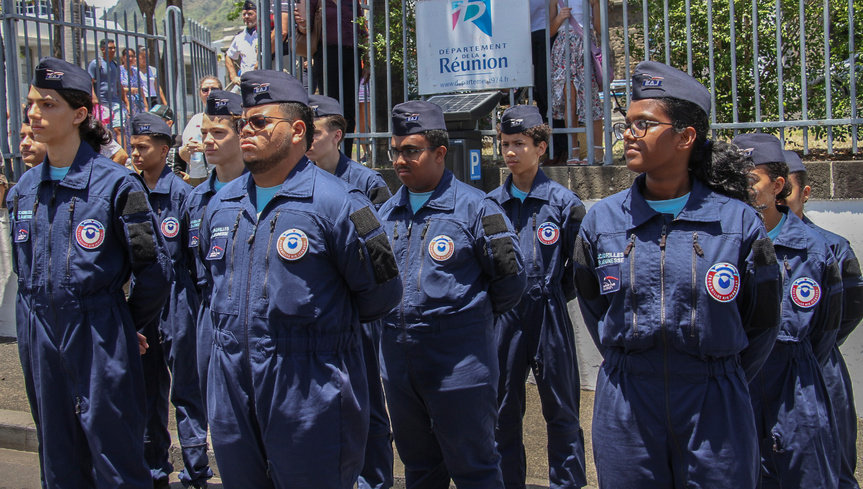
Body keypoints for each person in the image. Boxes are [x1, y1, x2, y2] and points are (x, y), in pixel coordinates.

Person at [572, 61, 782, 488]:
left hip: (714, 401)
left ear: (686, 137)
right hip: (628, 401)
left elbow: (763, 319)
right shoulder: (602, 221)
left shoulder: (738, 223)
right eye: (625, 125)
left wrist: (717, 373)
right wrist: (633, 362)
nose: (627, 134)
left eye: (643, 124)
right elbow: (594, 305)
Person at [196, 69, 402, 487]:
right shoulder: (220, 205)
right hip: (233, 389)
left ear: (297, 131)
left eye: (259, 122)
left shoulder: (339, 203)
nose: (246, 131)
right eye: (242, 123)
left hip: (311, 390)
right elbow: (208, 288)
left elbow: (382, 293)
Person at [7, 57, 172, 488]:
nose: (34, 114)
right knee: (58, 461)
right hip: (39, 333)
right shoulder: (24, 191)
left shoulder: (118, 186)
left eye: (48, 104)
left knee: (115, 459)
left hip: (99, 333)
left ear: (80, 115)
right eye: (32, 104)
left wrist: (122, 324)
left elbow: (153, 271)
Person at [377, 100, 527, 488]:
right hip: (399, 365)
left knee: (474, 468)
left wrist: (464, 321)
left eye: (411, 150)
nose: (399, 160)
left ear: (440, 153)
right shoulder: (386, 215)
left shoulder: (478, 209)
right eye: (394, 151)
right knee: (420, 469)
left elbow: (510, 281)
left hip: (459, 366)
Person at [734, 132, 842, 489]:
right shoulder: (724, 243)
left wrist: (794, 359)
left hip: (795, 382)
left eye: (751, 180)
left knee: (806, 473)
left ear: (778, 185)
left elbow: (827, 328)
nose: (742, 189)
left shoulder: (814, 248)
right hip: (739, 377)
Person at [487, 105, 587, 489]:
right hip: (505, 319)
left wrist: (549, 296)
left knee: (562, 413)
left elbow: (577, 272)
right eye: (505, 144)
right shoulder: (490, 205)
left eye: (520, 144)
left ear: (541, 147)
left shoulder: (565, 205)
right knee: (502, 412)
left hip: (550, 315)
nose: (511, 152)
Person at [305, 94, 393, 489]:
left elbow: (381, 255)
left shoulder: (365, 184)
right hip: (320, 317)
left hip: (360, 313)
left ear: (337, 135)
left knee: (368, 402)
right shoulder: (298, 180)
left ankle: (375, 481)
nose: (308, 138)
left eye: (317, 131)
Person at [129, 112, 213, 489]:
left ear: (165, 151)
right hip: (141, 296)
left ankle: (195, 469)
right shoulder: (127, 190)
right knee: (147, 386)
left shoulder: (184, 196)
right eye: (132, 147)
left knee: (185, 387)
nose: (135, 154)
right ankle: (154, 467)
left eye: (143, 147)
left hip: (178, 297)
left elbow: (193, 259)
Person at [779, 150, 863, 489]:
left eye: (786, 192)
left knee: (834, 463)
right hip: (760, 370)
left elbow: (848, 311)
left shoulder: (833, 248)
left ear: (806, 193)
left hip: (819, 364)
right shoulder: (740, 245)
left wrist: (810, 351)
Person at [182, 88, 247, 410]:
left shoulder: (259, 191)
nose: (208, 141)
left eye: (218, 133)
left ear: (241, 134)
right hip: (210, 316)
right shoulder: (195, 199)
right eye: (204, 132)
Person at [549, 0, 603, 165]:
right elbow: (550, 31)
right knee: (569, 99)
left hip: (584, 43)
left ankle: (598, 151)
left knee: (590, 96)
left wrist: (596, 6)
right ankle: (574, 150)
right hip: (563, 46)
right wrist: (559, 18)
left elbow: (600, 28)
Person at [180, 76, 223, 186]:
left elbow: (233, 150)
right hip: (196, 177)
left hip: (219, 175)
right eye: (205, 90)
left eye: (214, 89)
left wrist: (204, 148)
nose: (209, 93)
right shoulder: (195, 119)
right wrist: (187, 149)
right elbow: (184, 156)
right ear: (200, 94)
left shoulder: (226, 118)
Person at [88, 38, 131, 147]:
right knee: (100, 131)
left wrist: (126, 102)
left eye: (114, 48)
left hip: (115, 102)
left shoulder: (115, 65)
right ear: (102, 49)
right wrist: (94, 97)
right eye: (110, 48)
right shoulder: (96, 63)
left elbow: (118, 84)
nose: (113, 50)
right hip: (101, 103)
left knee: (120, 129)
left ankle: (124, 159)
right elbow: (89, 81)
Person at [226, 0, 259, 89]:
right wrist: (233, 76)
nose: (246, 17)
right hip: (246, 81)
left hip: (261, 79)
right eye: (244, 14)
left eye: (250, 14)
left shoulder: (264, 34)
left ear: (257, 14)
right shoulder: (239, 37)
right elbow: (229, 56)